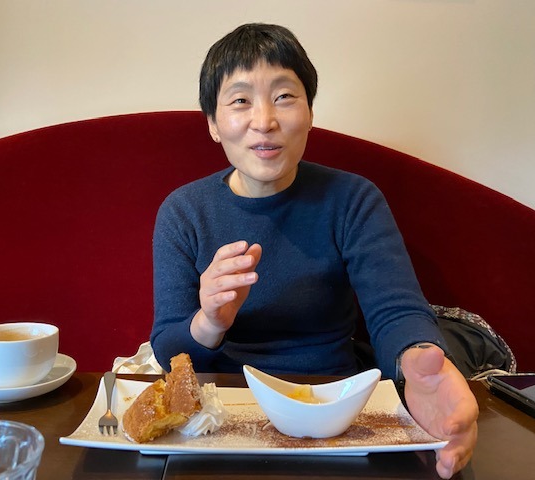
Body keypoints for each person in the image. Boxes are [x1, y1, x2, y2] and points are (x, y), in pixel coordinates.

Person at [150, 23, 477, 478]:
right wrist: (209, 322)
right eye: (240, 101)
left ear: (309, 113)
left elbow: (395, 311)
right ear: (212, 124)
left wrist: (420, 368)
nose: (264, 120)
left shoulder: (352, 199)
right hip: (223, 415)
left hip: (334, 407)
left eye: (284, 96)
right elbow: (169, 350)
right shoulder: (184, 212)